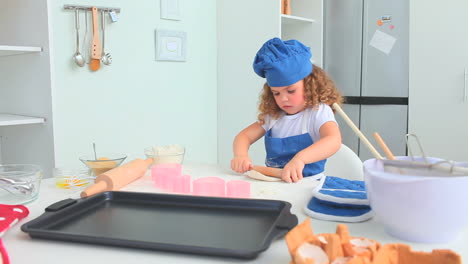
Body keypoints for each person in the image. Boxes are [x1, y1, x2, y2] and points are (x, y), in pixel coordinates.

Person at [231, 38, 343, 183]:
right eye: (276, 93)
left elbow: (333, 140)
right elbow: (244, 136)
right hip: (275, 183)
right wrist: (240, 156)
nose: (283, 99)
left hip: (307, 184)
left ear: (310, 85)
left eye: (290, 91)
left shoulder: (318, 112)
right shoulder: (274, 116)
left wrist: (300, 159)